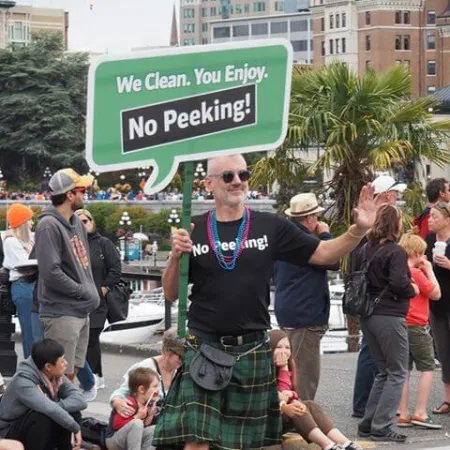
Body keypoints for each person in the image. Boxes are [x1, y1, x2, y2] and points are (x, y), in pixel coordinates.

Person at [153, 154, 377, 450]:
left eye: (243, 175)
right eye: (228, 176)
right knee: (197, 441)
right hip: (204, 346)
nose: (237, 182)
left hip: (252, 348)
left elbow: (324, 254)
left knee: (248, 443)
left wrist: (357, 230)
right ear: (209, 184)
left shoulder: (271, 226)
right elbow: (171, 293)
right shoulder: (193, 229)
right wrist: (175, 257)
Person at [356, 205, 417, 442]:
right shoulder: (395, 252)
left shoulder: (364, 249)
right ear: (396, 224)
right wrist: (413, 288)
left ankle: (368, 423)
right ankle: (381, 426)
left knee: (383, 371)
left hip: (367, 314)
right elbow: (400, 283)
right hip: (389, 315)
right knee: (397, 372)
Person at [34, 168, 99, 382]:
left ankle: (69, 414)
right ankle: (56, 414)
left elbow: (83, 266)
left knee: (71, 374)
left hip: (80, 311)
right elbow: (51, 272)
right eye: (81, 190)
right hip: (61, 313)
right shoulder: (48, 226)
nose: (85, 194)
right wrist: (83, 291)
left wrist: (89, 293)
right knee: (56, 379)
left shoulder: (77, 223)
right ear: (69, 195)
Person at [274, 193, 339, 400]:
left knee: (291, 368)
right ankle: (303, 419)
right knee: (305, 373)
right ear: (310, 219)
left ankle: (295, 415)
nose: (319, 222)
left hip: (289, 311)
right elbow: (333, 260)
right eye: (316, 217)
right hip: (306, 316)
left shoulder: (283, 240)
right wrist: (326, 235)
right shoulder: (307, 242)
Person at [351, 174, 406, 418]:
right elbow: (397, 281)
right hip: (384, 308)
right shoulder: (384, 238)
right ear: (385, 195)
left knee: (379, 363)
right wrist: (411, 287)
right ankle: (372, 413)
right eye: (394, 193)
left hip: (369, 305)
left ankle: (367, 412)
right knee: (390, 368)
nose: (396, 197)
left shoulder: (367, 236)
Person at [270, 330, 361, 450]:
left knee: (309, 405)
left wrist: (284, 368)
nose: (284, 351)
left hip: (280, 414)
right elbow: (272, 396)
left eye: (287, 347)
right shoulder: (261, 368)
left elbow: (287, 393)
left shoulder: (288, 364)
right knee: (297, 408)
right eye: (278, 347)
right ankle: (328, 446)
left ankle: (345, 443)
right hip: (265, 422)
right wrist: (285, 404)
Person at [0, 339, 87, 450]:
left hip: (35, 427)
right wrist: (75, 428)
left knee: (67, 412)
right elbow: (49, 409)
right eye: (62, 361)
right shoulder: (23, 381)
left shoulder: (55, 375)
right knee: (42, 416)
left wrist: (54, 406)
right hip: (9, 430)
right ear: (48, 367)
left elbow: (80, 400)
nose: (66, 363)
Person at [397, 233, 441, 429]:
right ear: (417, 253)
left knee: (403, 370)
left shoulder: (398, 271)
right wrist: (429, 269)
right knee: (427, 367)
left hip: (400, 323)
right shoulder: (416, 273)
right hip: (417, 324)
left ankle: (403, 412)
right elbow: (435, 293)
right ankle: (420, 412)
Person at [75, 209, 122, 389]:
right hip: (77, 299)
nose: (83, 224)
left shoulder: (103, 243)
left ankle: (92, 377)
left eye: (86, 220)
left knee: (92, 337)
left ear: (92, 222)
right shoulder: (71, 244)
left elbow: (116, 269)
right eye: (78, 221)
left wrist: (103, 288)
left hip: (97, 300)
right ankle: (97, 375)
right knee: (82, 339)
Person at [110, 328, 184, 419]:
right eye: (181, 357)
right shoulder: (145, 368)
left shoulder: (182, 370)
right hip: (141, 424)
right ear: (167, 352)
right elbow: (122, 392)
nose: (184, 360)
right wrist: (117, 401)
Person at [424, 203, 450, 415]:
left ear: (447, 219)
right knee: (443, 352)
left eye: (434, 216)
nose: (430, 220)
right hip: (437, 305)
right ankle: (448, 399)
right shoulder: (429, 241)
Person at [2, 203, 35, 358]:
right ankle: (31, 367)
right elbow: (23, 264)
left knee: (37, 331)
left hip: (32, 284)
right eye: (29, 220)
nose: (32, 223)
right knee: (30, 331)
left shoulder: (28, 239)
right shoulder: (11, 241)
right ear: (22, 222)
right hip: (23, 285)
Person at [106, 368, 159, 450]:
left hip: (131, 439)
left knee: (155, 429)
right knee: (137, 423)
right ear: (141, 389)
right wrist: (137, 417)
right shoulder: (129, 404)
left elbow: (143, 427)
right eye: (154, 386)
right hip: (114, 440)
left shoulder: (147, 405)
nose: (158, 390)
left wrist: (150, 415)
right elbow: (117, 425)